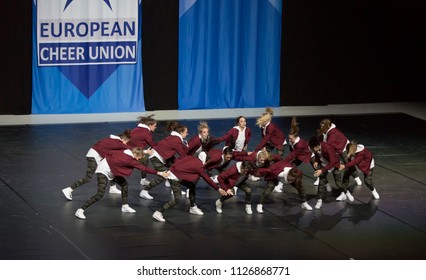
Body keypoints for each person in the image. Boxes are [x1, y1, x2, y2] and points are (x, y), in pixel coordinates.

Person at [74, 147, 168, 220]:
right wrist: (160, 173)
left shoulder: (127, 151)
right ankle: (80, 210)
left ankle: (125, 206)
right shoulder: (130, 160)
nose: (139, 160)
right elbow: (144, 168)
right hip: (103, 171)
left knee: (124, 185)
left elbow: (111, 152)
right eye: (139, 158)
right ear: (135, 154)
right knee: (99, 194)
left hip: (112, 168)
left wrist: (145, 152)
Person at [152, 152, 230, 222]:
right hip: (174, 178)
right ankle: (158, 212)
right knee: (177, 199)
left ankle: (193, 207)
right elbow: (208, 179)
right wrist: (218, 189)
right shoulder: (199, 166)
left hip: (176, 174)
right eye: (207, 162)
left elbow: (179, 161)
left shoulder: (192, 158)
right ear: (205, 161)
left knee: (192, 186)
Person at [61, 129, 131, 201]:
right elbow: (129, 149)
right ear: (123, 139)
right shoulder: (117, 142)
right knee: (88, 178)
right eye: (126, 142)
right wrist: (141, 151)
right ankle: (68, 189)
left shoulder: (113, 140)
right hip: (93, 157)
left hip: (95, 155)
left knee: (111, 168)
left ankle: (113, 188)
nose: (126, 144)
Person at [139, 121, 189, 199]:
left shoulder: (175, 138)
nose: (187, 134)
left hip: (160, 156)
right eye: (186, 132)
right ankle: (144, 191)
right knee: (163, 176)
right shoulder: (177, 141)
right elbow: (183, 155)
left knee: (173, 169)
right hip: (156, 157)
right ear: (181, 132)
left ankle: (173, 188)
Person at [283, 117, 329, 191]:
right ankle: (288, 179)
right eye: (289, 138)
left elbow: (292, 155)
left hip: (310, 154)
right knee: (291, 166)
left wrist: (283, 162)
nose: (289, 140)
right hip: (300, 156)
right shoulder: (292, 140)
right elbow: (292, 151)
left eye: (291, 139)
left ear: (296, 137)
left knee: (316, 169)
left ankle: (326, 183)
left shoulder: (299, 144)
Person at [308, 136, 350, 210]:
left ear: (317, 146)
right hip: (324, 164)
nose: (312, 150)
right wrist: (316, 161)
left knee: (338, 183)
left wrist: (321, 170)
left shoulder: (327, 148)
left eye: (312, 148)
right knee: (321, 182)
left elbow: (332, 162)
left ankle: (346, 192)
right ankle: (319, 200)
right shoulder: (316, 149)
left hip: (334, 164)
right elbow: (318, 155)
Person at [318, 118, 362, 186]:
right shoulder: (325, 131)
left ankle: (356, 177)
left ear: (327, 126)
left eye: (322, 126)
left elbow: (329, 145)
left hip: (343, 147)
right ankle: (320, 178)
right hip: (335, 149)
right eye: (321, 126)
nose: (321, 127)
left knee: (348, 163)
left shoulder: (333, 133)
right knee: (324, 162)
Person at [127, 114, 158, 186]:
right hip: (133, 152)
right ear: (150, 125)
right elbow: (152, 144)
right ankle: (143, 180)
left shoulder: (137, 129)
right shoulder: (146, 132)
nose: (156, 127)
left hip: (129, 150)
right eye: (155, 126)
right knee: (145, 160)